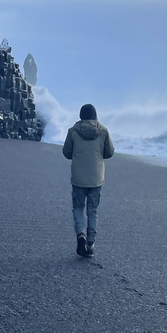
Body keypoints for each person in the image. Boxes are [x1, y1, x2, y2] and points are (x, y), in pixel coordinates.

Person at [62, 104, 114, 258]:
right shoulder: (103, 131)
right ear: (95, 115)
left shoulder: (73, 131)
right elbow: (109, 152)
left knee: (78, 208)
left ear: (80, 115)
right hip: (96, 178)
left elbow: (66, 153)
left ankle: (81, 235)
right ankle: (90, 244)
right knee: (92, 211)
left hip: (78, 177)